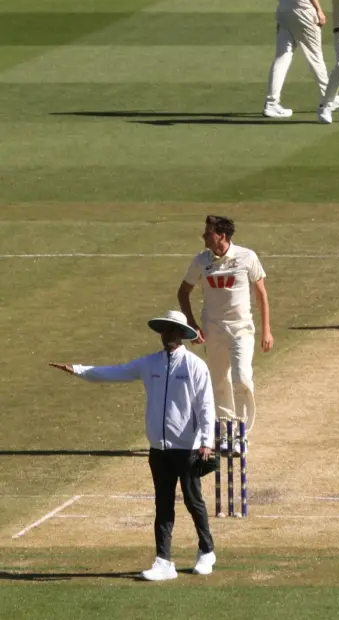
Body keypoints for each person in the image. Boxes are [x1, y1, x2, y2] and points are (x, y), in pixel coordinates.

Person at [49, 311, 217, 581]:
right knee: (163, 506)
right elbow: (116, 372)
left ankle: (206, 551)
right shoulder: (150, 364)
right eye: (164, 330)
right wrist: (78, 369)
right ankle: (164, 561)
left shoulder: (195, 366)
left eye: (172, 331)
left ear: (182, 335)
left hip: (187, 448)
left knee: (193, 500)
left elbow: (206, 404)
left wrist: (207, 440)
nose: (167, 335)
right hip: (158, 449)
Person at [177, 216, 272, 443]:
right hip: (213, 330)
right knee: (219, 382)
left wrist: (267, 330)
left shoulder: (246, 257)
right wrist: (192, 325)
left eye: (209, 232)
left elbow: (261, 294)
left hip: (241, 329)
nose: (204, 236)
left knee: (242, 378)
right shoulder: (201, 260)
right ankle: (226, 432)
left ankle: (241, 433)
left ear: (222, 235)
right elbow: (183, 292)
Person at [264, 0, 339, 118]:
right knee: (315, 56)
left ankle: (271, 103)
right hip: (303, 11)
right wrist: (318, 9)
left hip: (283, 9)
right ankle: (328, 100)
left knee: (282, 56)